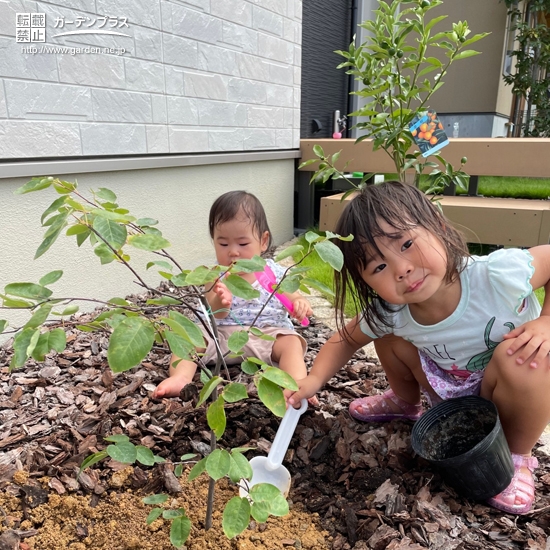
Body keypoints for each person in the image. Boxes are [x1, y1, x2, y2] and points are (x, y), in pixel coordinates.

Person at [288, 180, 550, 515]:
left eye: (407, 243)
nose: (402, 269)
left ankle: (515, 457)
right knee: (383, 330)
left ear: (438, 226)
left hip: (511, 390)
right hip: (451, 396)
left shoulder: (498, 275)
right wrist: (311, 381)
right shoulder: (393, 310)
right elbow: (346, 338)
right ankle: (404, 400)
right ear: (364, 281)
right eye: (379, 267)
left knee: (523, 357)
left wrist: (546, 321)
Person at [153, 190, 312, 402]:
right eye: (223, 244)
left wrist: (300, 303)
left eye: (243, 244)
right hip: (220, 336)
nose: (233, 252)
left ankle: (297, 385)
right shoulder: (214, 275)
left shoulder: (273, 273)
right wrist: (221, 300)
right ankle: (181, 377)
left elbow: (293, 299)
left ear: (263, 241)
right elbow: (215, 313)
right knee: (189, 338)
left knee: (291, 343)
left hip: (265, 334)